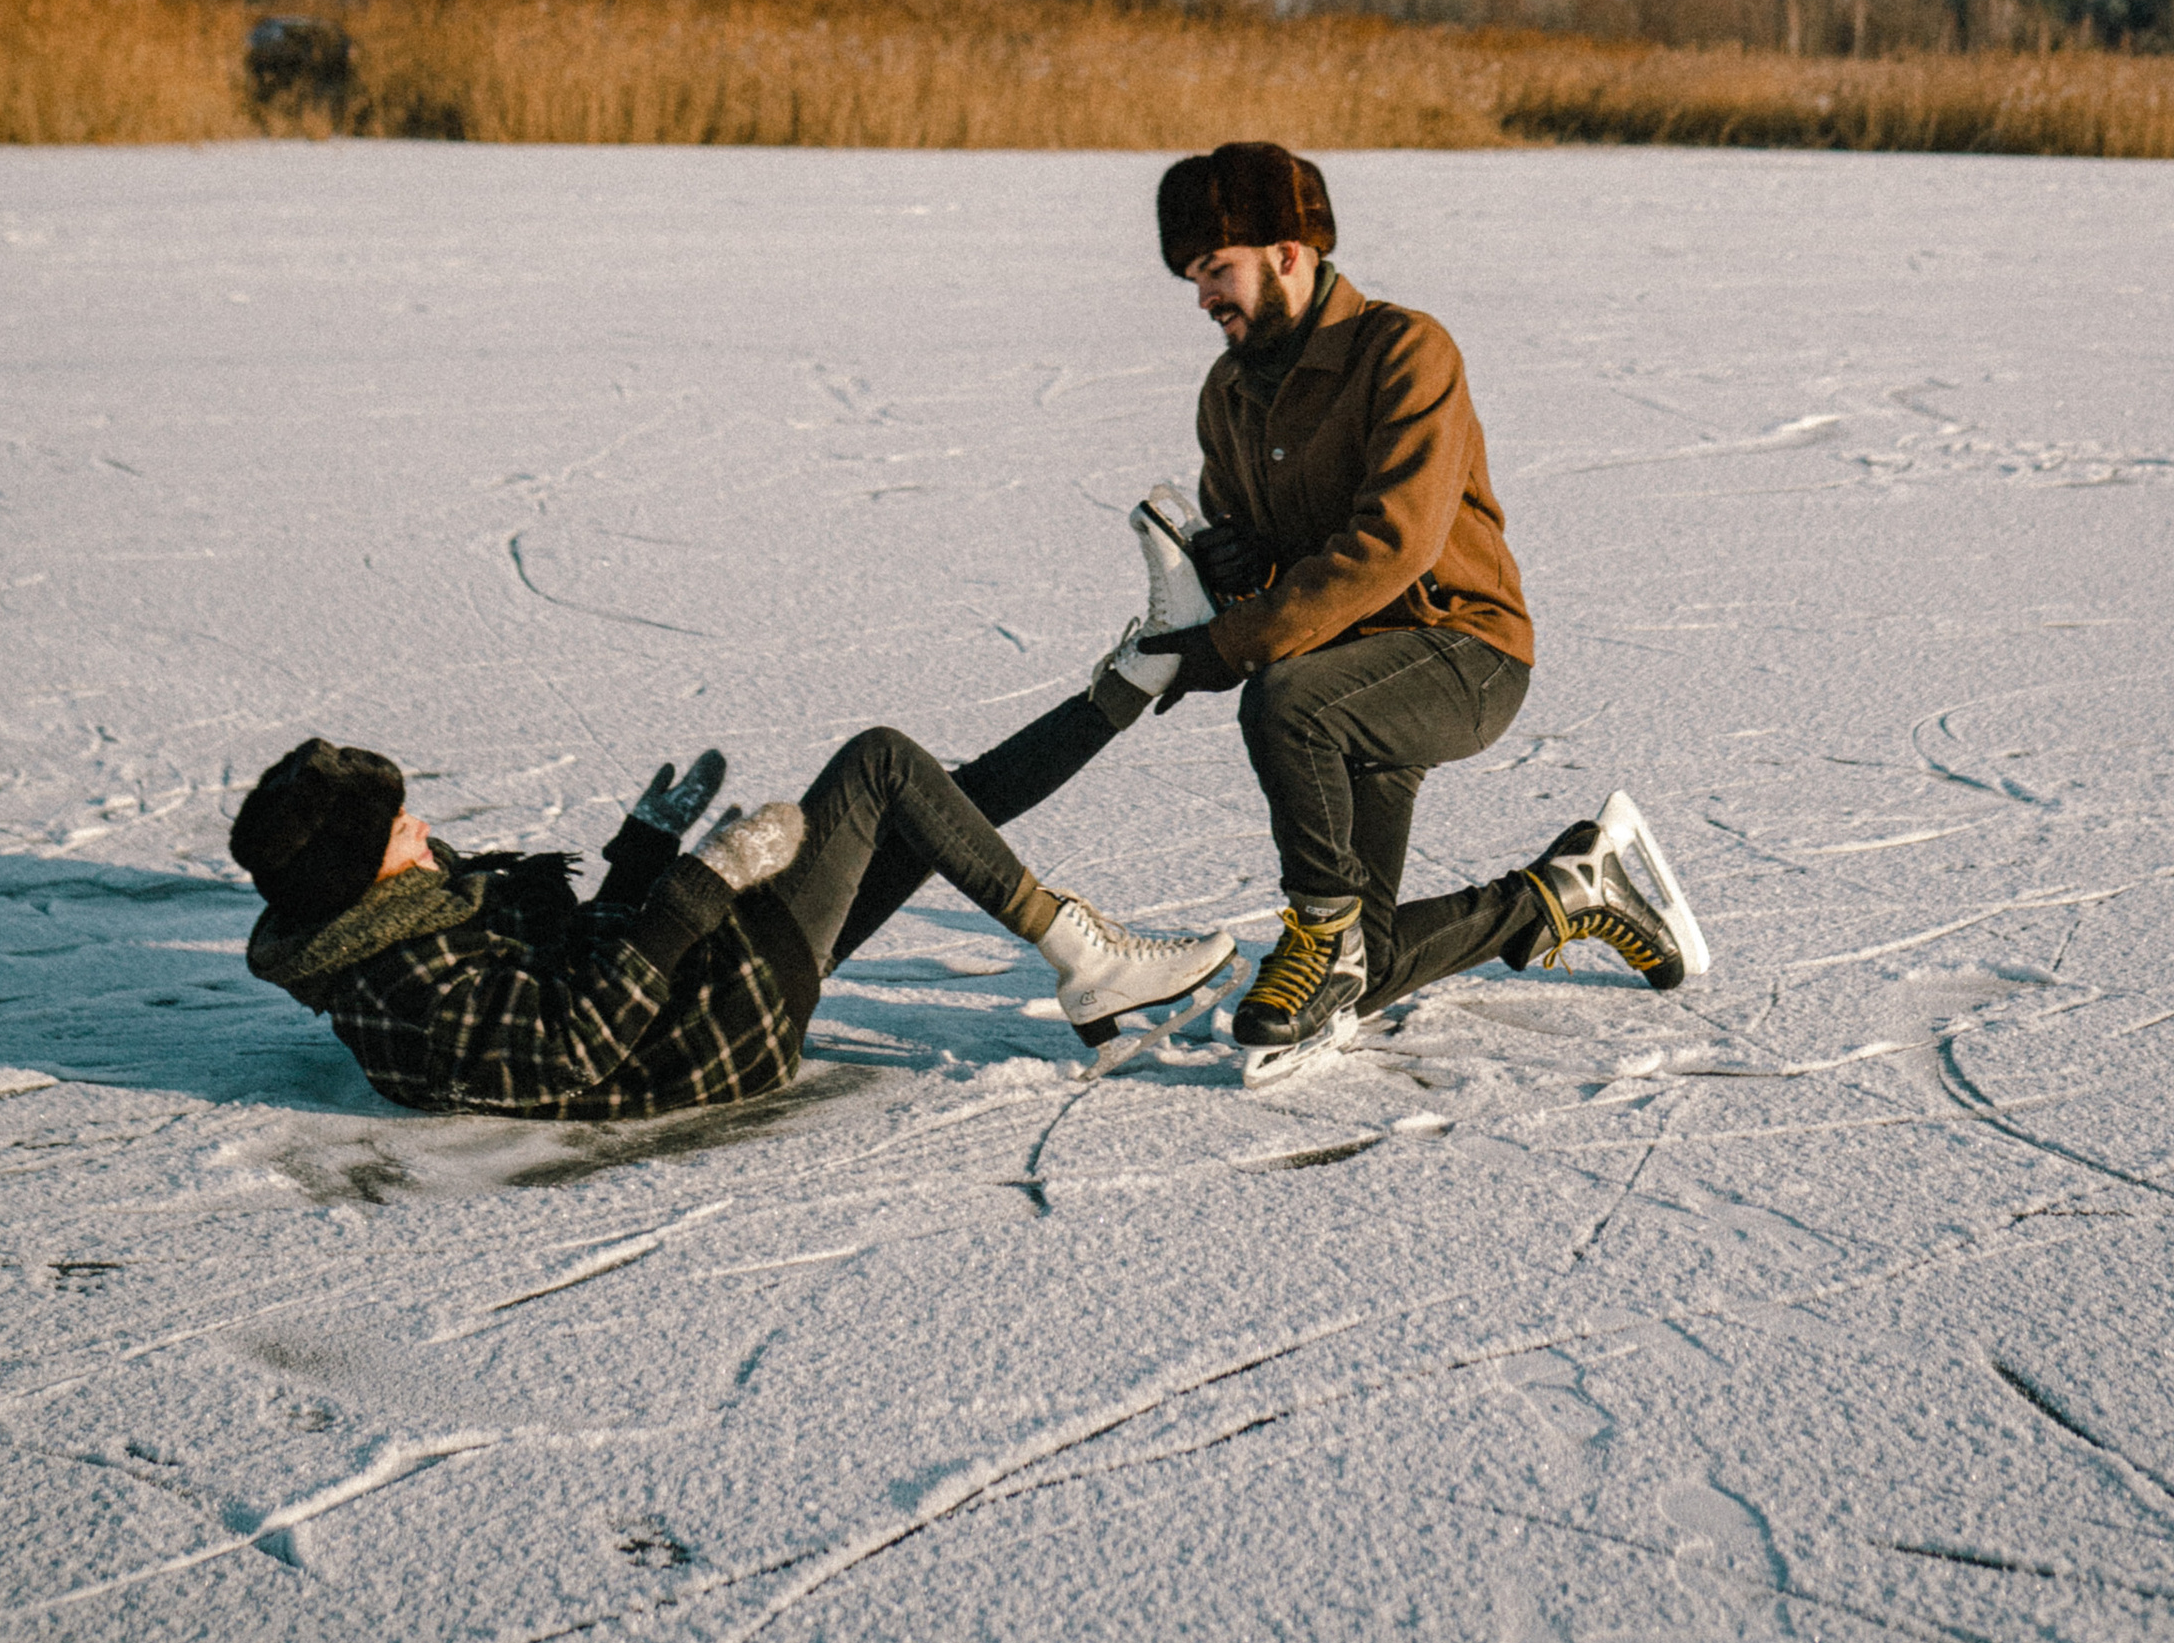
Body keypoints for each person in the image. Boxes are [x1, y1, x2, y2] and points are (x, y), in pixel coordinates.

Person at [1115, 139, 1707, 1059]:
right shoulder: (1227, 393)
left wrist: (1232, 646)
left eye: (1216, 269)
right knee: (1374, 966)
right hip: (1346, 674)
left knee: (1287, 704)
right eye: (1193, 278)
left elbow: (1396, 542)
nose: (1203, 298)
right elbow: (1261, 564)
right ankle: (1570, 890)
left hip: (1462, 650)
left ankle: (1319, 931)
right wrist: (1234, 564)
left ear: (1287, 252)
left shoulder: (1404, 349)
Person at [228, 699, 1231, 1121]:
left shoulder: (394, 924)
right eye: (394, 827)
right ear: (353, 874)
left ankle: (1130, 681)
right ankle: (1090, 965)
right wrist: (697, 888)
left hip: (703, 993)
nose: (418, 824)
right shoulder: (404, 981)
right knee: (881, 766)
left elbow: (566, 971)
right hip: (720, 1017)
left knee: (929, 807)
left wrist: (641, 854)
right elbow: (571, 1044)